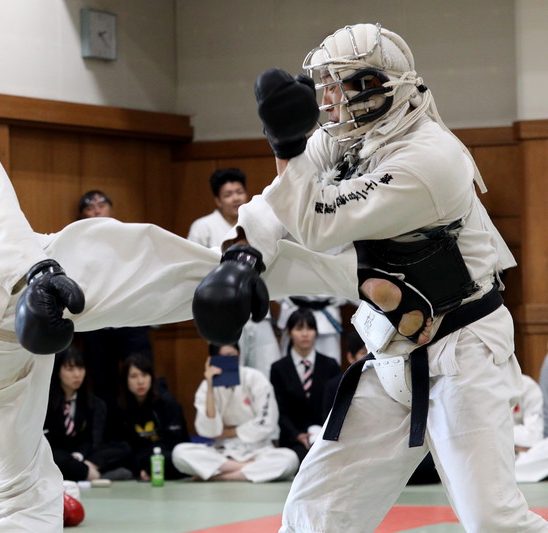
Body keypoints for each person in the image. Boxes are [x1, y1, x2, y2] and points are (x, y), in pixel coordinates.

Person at [0, 24, 366, 532]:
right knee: (210, 269)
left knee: (13, 500)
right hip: (31, 283)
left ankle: (318, 265)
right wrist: (35, 275)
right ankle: (358, 276)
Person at [192, 22, 546, 532]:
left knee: (492, 519)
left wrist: (284, 142)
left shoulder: (431, 160)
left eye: (341, 86)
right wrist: (243, 254)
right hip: (392, 350)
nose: (330, 101)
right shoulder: (346, 138)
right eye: (326, 87)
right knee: (315, 512)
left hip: (463, 349)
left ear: (378, 87)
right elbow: (275, 205)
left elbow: (314, 222)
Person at [187, 169, 281, 378]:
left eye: (239, 192)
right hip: (221, 314)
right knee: (227, 378)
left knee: (268, 373)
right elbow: (193, 270)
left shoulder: (258, 221)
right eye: (228, 194)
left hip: (257, 310)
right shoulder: (202, 227)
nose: (235, 198)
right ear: (217, 201)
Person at [74, 190, 154, 410]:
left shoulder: (129, 238)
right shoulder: (78, 245)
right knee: (103, 383)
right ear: (82, 216)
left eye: (102, 204)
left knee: (142, 375)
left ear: (112, 209)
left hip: (131, 319)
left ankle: (145, 432)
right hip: (97, 322)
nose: (97, 209)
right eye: (90, 207)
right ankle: (108, 437)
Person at [172, 344, 299, 482]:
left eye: (233, 356)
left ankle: (219, 477)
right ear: (212, 360)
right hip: (222, 452)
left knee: (290, 459)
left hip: (257, 450)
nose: (229, 361)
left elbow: (267, 422)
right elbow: (209, 431)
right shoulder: (206, 386)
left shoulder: (255, 378)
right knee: (179, 453)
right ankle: (246, 470)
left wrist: (229, 432)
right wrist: (210, 385)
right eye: (223, 357)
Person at [43, 347, 131, 482]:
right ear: (58, 371)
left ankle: (86, 469)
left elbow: (91, 439)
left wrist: (80, 456)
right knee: (52, 456)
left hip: (81, 455)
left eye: (80, 368)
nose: (77, 374)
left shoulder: (92, 402)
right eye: (70, 369)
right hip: (56, 454)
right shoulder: (46, 401)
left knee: (123, 447)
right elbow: (46, 440)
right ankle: (91, 475)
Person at [269, 309, 340, 462]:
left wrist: (324, 433)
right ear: (289, 332)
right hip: (293, 440)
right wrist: (296, 435)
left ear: (316, 332)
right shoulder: (279, 368)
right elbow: (278, 409)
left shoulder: (330, 365)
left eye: (310, 328)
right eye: (299, 328)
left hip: (325, 437)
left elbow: (336, 406)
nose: (305, 334)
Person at [112, 353, 189, 481]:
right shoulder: (121, 407)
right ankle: (145, 470)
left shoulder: (167, 403)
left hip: (166, 453)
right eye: (134, 376)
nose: (140, 381)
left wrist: (144, 459)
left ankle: (147, 469)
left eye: (144, 375)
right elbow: (120, 442)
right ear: (125, 380)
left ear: (152, 378)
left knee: (176, 458)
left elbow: (172, 441)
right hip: (138, 457)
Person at [277, 296, 346, 363]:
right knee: (289, 365)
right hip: (293, 309)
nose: (305, 334)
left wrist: (344, 296)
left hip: (327, 321)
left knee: (330, 366)